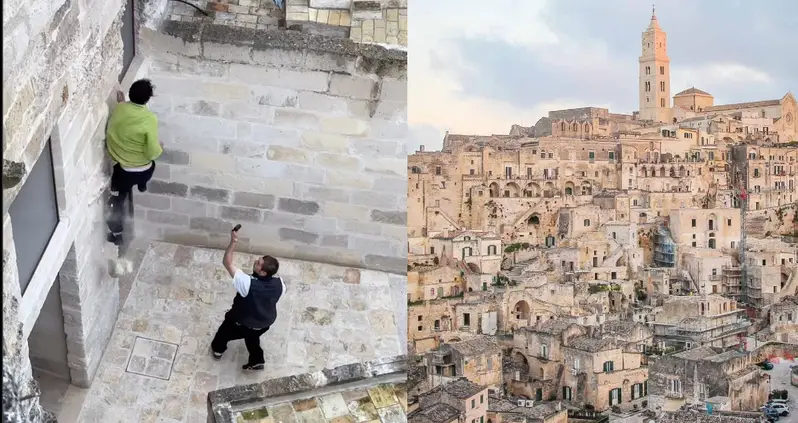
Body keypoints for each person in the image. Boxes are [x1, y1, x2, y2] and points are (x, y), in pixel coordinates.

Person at [105, 79, 163, 274]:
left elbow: (122, 111)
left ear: (129, 94)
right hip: (142, 170)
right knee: (151, 165)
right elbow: (152, 152)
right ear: (148, 99)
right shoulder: (150, 118)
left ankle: (116, 234)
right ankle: (143, 185)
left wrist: (121, 103)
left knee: (117, 202)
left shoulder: (120, 109)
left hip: (122, 170)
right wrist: (160, 148)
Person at [211, 228, 286, 370]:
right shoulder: (280, 284)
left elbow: (227, 262)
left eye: (258, 264)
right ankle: (257, 359)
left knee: (224, 332)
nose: (255, 262)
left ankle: (217, 350)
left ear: (263, 272)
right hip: (266, 322)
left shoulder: (248, 284)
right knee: (253, 337)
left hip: (244, 321)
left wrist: (233, 242)